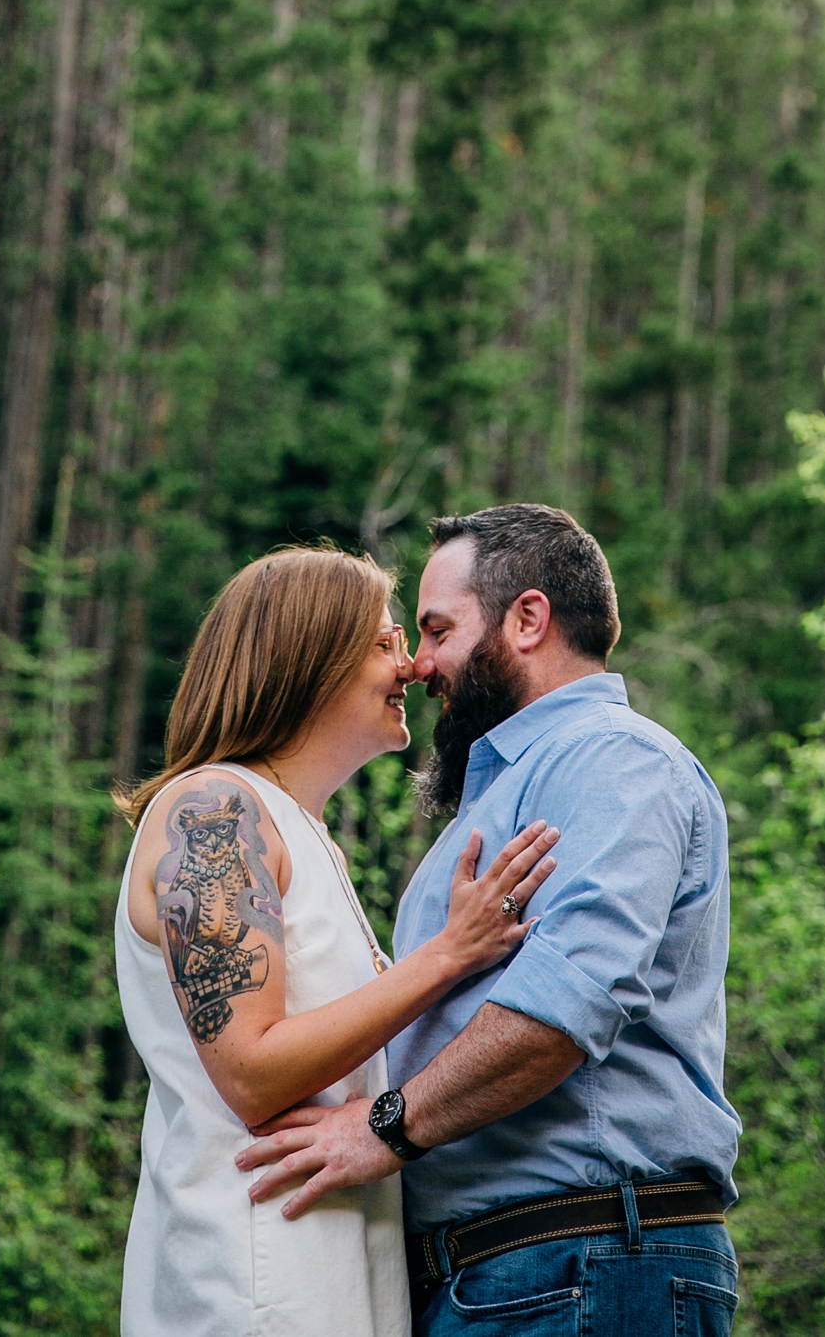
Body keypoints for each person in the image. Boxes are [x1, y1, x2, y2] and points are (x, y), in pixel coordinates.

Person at [237, 505, 741, 1337]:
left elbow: (562, 1008)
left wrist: (384, 1128)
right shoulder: (511, 784)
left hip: (585, 1262)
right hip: (513, 1275)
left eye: (437, 629)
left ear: (528, 618)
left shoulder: (615, 760)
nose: (420, 662)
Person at [113, 544, 560, 1337]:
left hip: (337, 1282)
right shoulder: (215, 811)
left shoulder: (300, 832)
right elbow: (250, 1070)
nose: (416, 668)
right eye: (386, 642)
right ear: (308, 658)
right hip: (250, 1284)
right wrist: (449, 954)